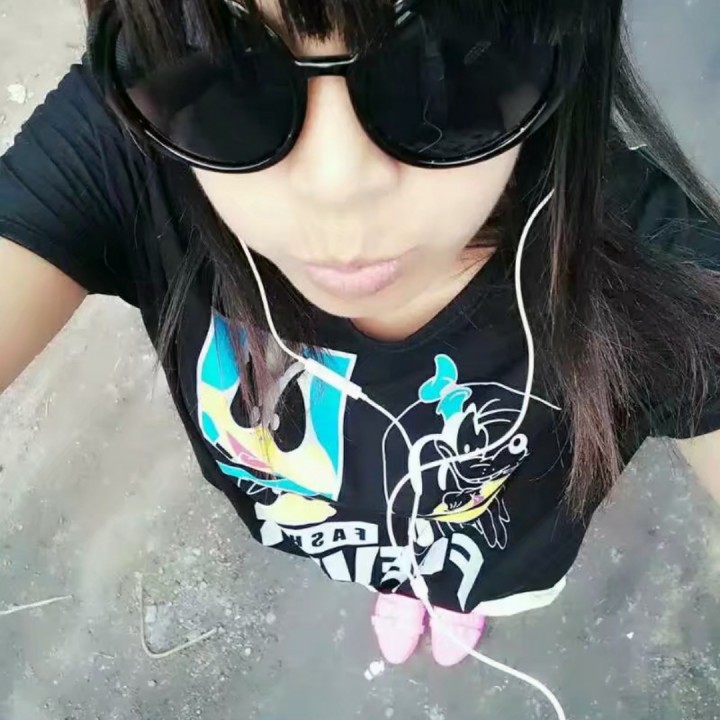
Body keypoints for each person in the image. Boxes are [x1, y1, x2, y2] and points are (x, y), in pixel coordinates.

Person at [1, 0, 719, 671]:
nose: (338, 184)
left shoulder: (655, 264)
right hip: (341, 540)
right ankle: (401, 585)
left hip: (504, 558)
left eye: (441, 52)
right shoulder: (141, 126)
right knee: (395, 570)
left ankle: (455, 600)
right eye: (229, 66)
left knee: (469, 578)